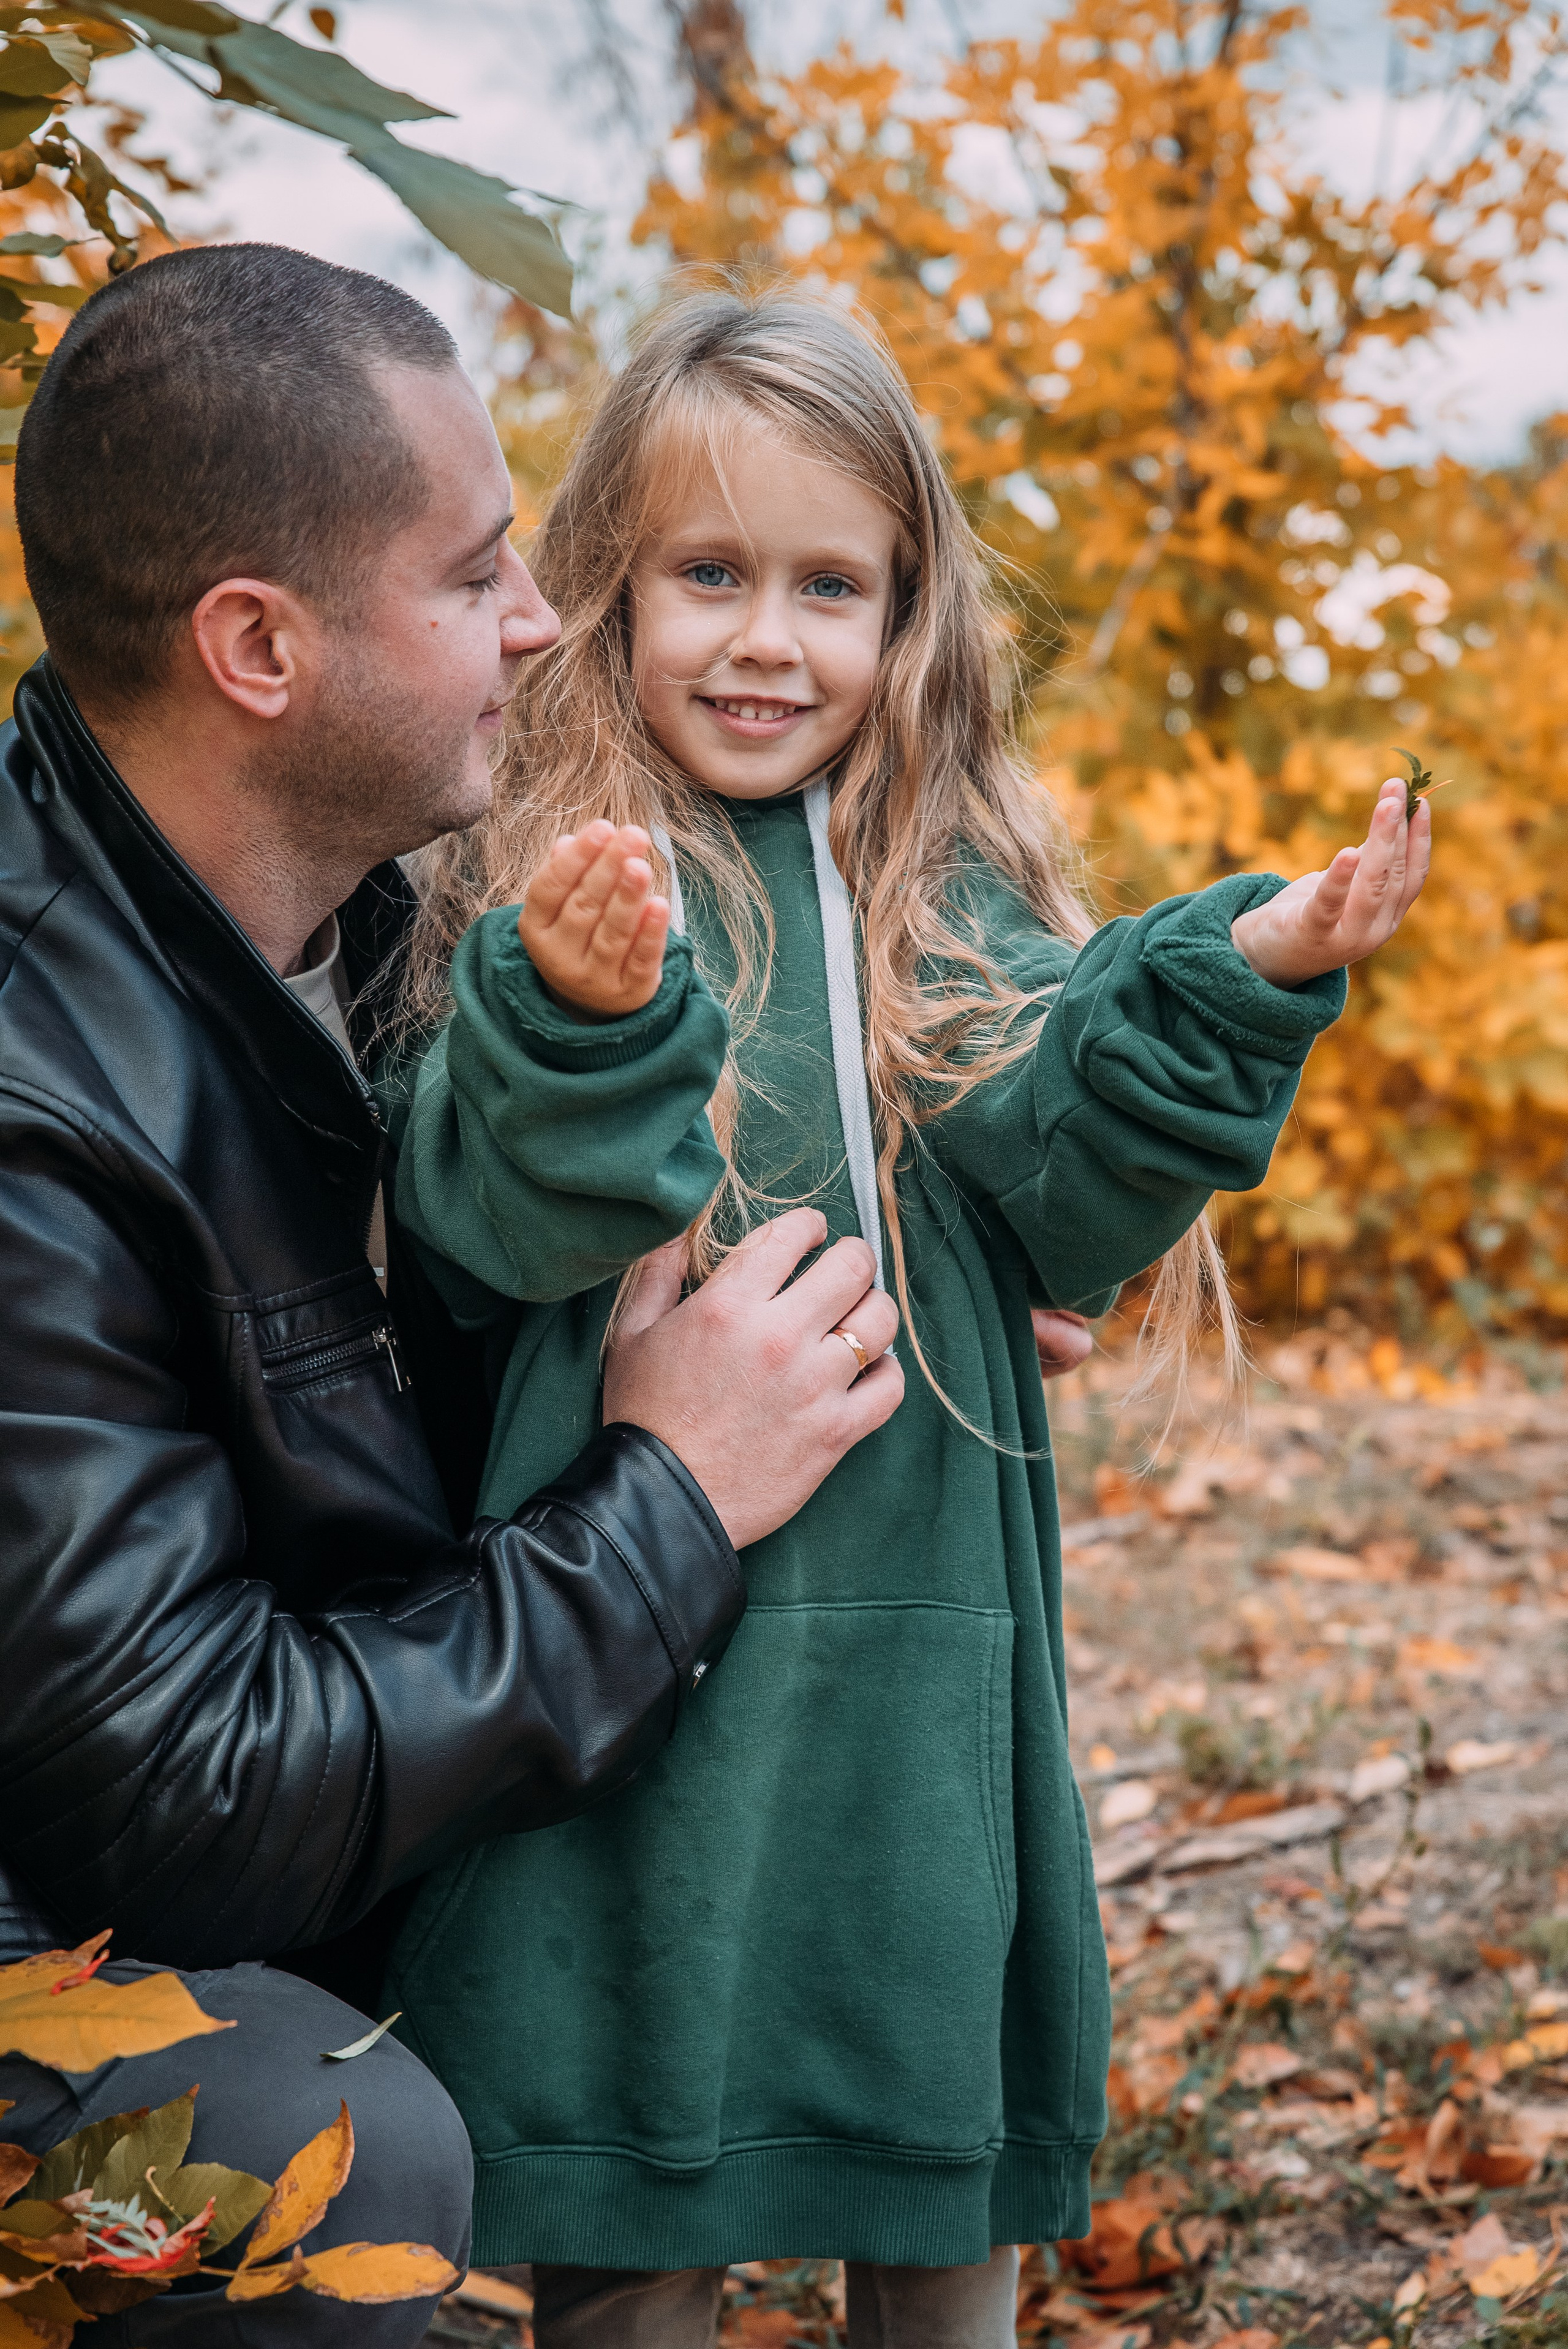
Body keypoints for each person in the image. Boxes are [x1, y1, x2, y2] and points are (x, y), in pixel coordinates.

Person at [378, 283, 1431, 2349]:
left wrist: (1245, 961)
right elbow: (487, 1214)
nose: (768, 638)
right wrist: (582, 1011)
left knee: (935, 2168)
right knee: (636, 2179)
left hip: (926, 1654)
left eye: (829, 585)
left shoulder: (938, 886)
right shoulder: (557, 875)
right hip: (635, 1648)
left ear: (909, 614)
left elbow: (1064, 1175)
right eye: (709, 573)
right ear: (605, 584)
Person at [0, 246, 912, 2347]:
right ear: (259, 647)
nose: (541, 619)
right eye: (478, 568)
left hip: (203, 1841)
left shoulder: (361, 931)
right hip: (52, 1935)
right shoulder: (36, 1103)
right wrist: (671, 1494)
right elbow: (193, 1796)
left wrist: (923, 1263)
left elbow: (503, 1247)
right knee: (330, 2154)